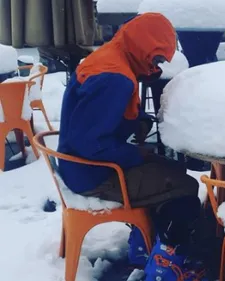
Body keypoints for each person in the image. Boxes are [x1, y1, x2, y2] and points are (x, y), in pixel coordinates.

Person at [57, 13, 206, 281]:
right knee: (185, 186)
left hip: (78, 162)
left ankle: (143, 247)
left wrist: (136, 120)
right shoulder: (115, 79)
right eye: (157, 58)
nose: (156, 66)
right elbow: (90, 144)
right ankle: (164, 268)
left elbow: (93, 120)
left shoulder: (112, 57)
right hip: (90, 172)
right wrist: (137, 154)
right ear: (144, 46)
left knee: (168, 169)